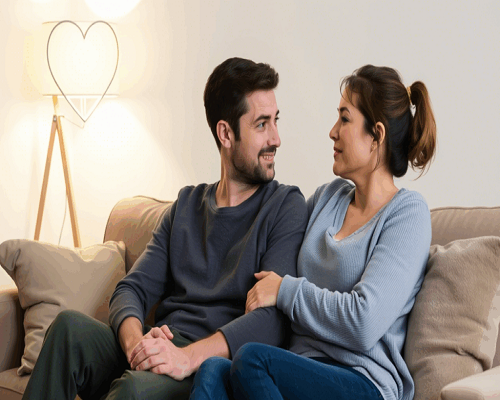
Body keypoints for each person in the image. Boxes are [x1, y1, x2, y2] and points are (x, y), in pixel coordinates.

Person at [22, 57, 308, 400]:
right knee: (68, 328)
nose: (276, 138)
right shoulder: (186, 205)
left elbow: (271, 321)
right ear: (226, 134)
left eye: (275, 121)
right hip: (163, 346)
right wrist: (138, 347)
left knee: (134, 391)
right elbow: (131, 290)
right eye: (262, 124)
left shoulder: (284, 206)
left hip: (207, 367)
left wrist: (184, 357)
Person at [190, 65, 437, 400]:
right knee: (211, 370)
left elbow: (364, 323)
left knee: (252, 360)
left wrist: (285, 290)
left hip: (363, 381)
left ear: (376, 136)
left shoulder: (407, 214)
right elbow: (274, 249)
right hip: (297, 369)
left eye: (345, 119)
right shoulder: (326, 198)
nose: (333, 132)